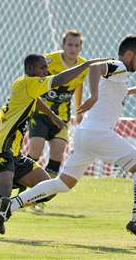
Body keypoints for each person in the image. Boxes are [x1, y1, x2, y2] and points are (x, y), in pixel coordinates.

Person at [0, 35, 136, 246]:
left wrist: (131, 91)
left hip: (87, 135)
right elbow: (95, 68)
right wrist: (93, 96)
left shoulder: (120, 74)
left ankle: (12, 205)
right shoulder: (118, 65)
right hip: (98, 133)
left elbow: (112, 92)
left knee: (63, 184)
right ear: (129, 54)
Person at [0, 53, 108, 236]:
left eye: (45, 68)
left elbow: (36, 100)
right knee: (2, 194)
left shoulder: (24, 84)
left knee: (48, 188)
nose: (45, 72)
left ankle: (7, 208)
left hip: (15, 153)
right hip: (0, 150)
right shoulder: (29, 83)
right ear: (31, 69)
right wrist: (86, 64)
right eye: (42, 68)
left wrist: (52, 115)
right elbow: (59, 79)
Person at [21, 30, 89, 212]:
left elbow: (79, 86)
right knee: (35, 150)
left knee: (58, 153)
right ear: (63, 45)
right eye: (69, 44)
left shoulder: (83, 66)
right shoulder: (48, 61)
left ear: (81, 47)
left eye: (76, 45)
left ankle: (40, 197)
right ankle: (21, 192)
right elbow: (33, 81)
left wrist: (79, 109)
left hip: (62, 118)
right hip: (41, 114)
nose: (73, 49)